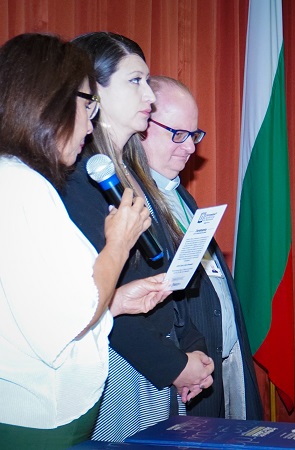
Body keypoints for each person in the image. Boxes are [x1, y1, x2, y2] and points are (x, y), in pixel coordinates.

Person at [0, 33, 172, 448]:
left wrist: (115, 302)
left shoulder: (15, 178)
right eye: (86, 103)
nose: (89, 120)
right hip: (42, 422)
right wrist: (118, 244)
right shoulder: (23, 187)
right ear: (53, 101)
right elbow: (69, 319)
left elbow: (38, 310)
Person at [60, 32, 214, 441]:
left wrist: (189, 351)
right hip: (119, 368)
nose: (148, 93)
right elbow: (93, 299)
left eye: (148, 81)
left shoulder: (135, 175)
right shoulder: (79, 179)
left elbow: (165, 283)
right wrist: (172, 365)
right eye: (135, 81)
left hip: (158, 369)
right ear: (94, 89)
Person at [140, 75, 263, 419]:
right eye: (177, 134)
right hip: (177, 375)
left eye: (193, 135)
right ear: (140, 125)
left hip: (217, 361)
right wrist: (185, 359)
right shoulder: (131, 200)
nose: (191, 148)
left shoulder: (181, 196)